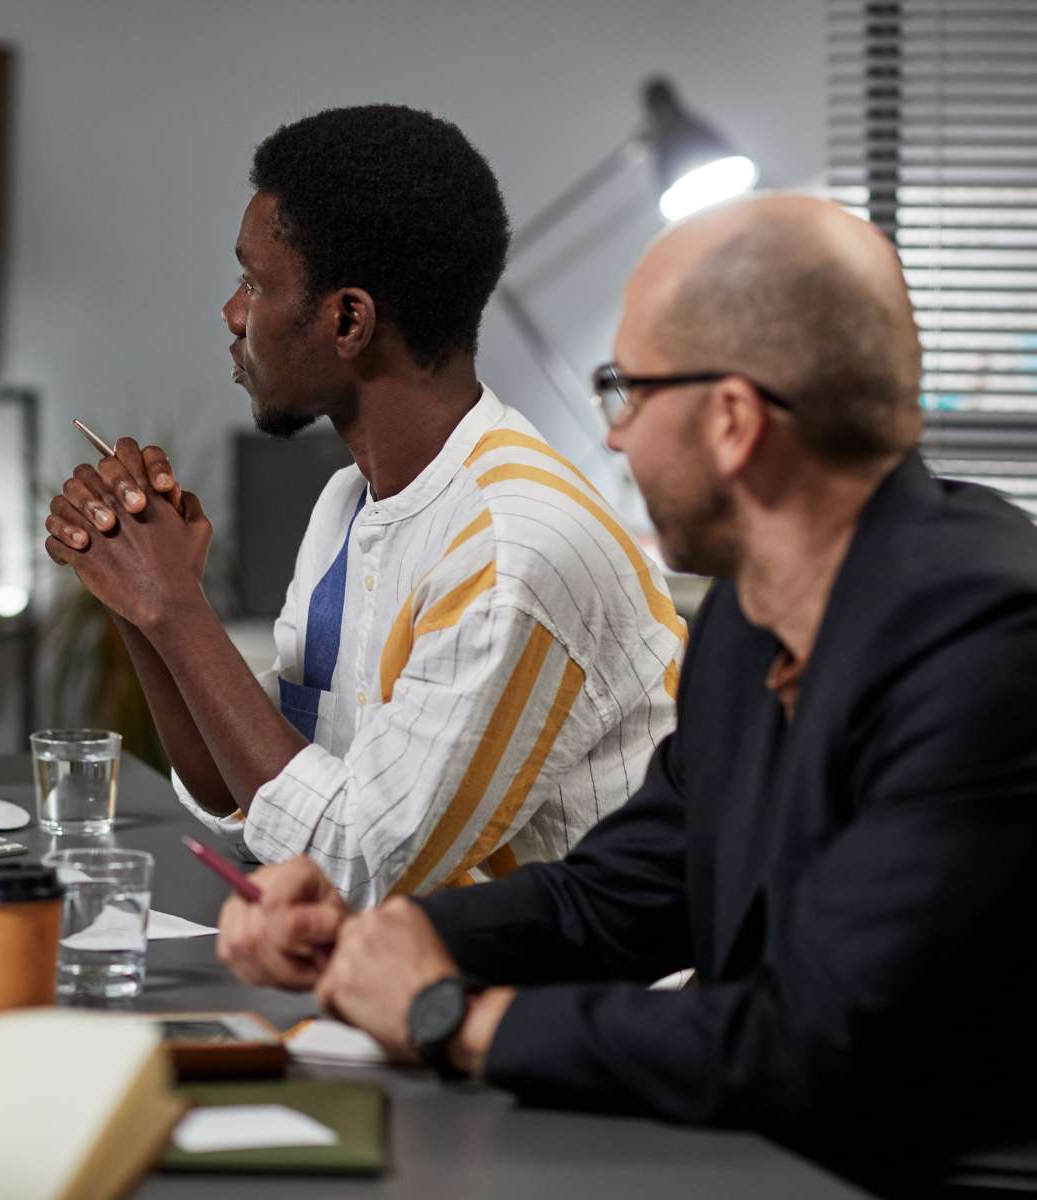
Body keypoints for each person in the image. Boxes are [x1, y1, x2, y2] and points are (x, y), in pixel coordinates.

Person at [217, 193, 1037, 1192]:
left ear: (732, 420)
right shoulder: (747, 616)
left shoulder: (991, 642)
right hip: (759, 1148)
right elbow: (618, 896)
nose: (614, 439)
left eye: (628, 393)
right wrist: (388, 939)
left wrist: (450, 1017)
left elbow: (817, 1039)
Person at [43, 105, 681, 906]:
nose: (232, 315)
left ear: (348, 320)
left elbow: (356, 867)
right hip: (412, 976)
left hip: (572, 1009)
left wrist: (175, 607)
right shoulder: (352, 502)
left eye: (253, 283)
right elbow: (249, 796)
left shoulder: (513, 549)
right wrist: (138, 593)